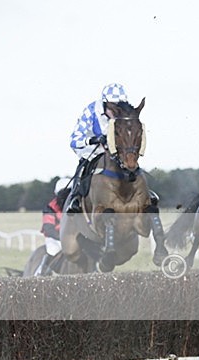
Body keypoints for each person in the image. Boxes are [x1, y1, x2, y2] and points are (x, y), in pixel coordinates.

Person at [66, 83, 130, 214]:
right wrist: (93, 140)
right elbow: (74, 140)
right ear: (105, 104)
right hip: (92, 151)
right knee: (85, 168)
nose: (117, 111)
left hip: (114, 152)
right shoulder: (91, 111)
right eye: (113, 107)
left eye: (120, 107)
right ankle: (75, 198)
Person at [35, 179, 71, 276]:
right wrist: (64, 238)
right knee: (53, 249)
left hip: (72, 238)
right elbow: (48, 228)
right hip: (55, 238)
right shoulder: (50, 208)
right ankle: (41, 273)